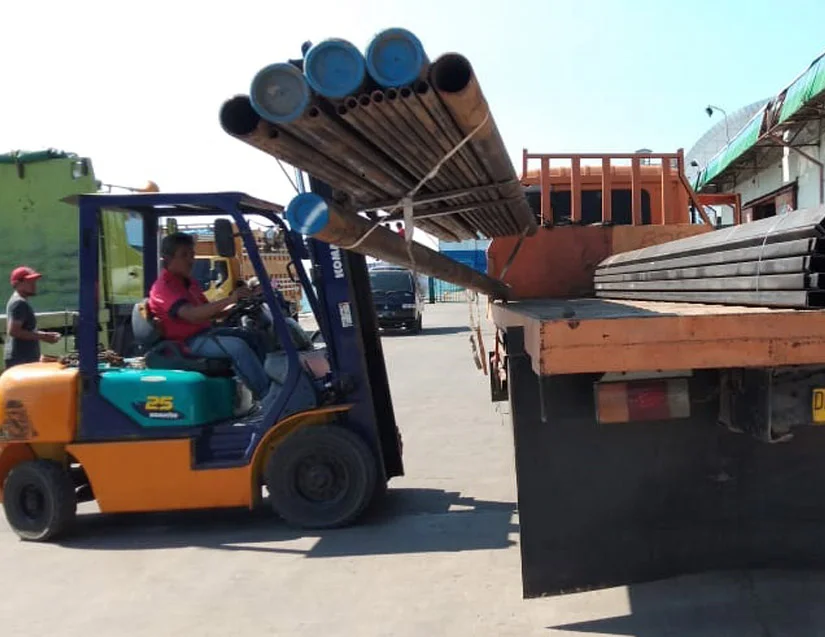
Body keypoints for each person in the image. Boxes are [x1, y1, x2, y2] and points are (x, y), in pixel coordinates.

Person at [148, 233, 274, 402]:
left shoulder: (188, 283)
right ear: (168, 258)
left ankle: (272, 383)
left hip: (204, 333)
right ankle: (267, 396)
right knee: (238, 347)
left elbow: (208, 312)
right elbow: (192, 315)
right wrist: (230, 299)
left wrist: (237, 306)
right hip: (186, 343)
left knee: (251, 336)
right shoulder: (164, 288)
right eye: (184, 255)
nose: (191, 260)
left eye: (192, 254)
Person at [4, 267, 61, 369]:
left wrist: (45, 335)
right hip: (21, 360)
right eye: (29, 281)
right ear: (18, 283)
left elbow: (25, 329)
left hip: (21, 358)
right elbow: (14, 331)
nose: (34, 284)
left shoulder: (18, 301)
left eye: (34, 281)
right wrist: (44, 336)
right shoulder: (19, 303)